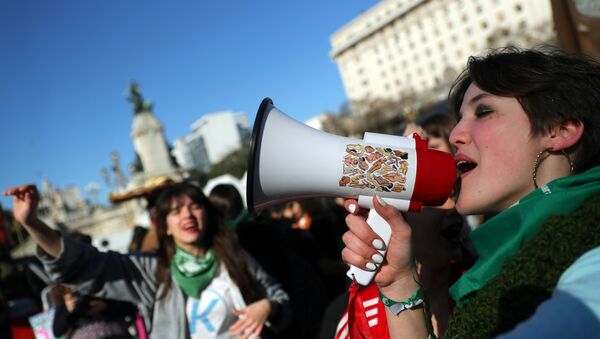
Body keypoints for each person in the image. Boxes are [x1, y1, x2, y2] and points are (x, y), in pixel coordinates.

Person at [340, 46, 600, 338]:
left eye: (484, 111)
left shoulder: (591, 256)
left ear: (560, 130)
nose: (455, 135)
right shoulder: (496, 267)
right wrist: (400, 282)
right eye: (461, 118)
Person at [4, 181, 291, 339]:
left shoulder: (234, 256)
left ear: (207, 214)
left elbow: (280, 298)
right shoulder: (153, 270)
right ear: (164, 225)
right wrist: (33, 224)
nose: (188, 216)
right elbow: (85, 265)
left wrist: (268, 307)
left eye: (195, 207)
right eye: (176, 211)